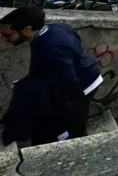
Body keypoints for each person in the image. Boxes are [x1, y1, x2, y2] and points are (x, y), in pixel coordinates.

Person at [0, 7, 100, 145]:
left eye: (7, 35)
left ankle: (73, 143)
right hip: (84, 72)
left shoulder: (51, 49)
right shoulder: (57, 27)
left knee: (66, 124)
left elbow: (68, 87)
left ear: (27, 30)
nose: (5, 40)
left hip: (81, 85)